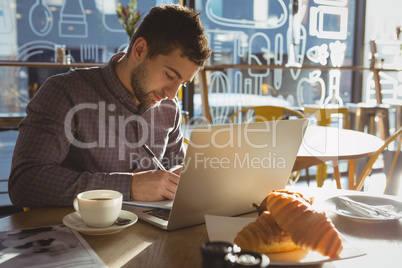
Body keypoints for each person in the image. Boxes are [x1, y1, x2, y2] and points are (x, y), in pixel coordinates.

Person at [8, 4, 212, 208]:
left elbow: (173, 166)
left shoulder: (169, 106)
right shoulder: (65, 93)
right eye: (169, 75)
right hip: (76, 233)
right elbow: (26, 182)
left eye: (182, 83)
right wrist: (128, 187)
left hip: (148, 233)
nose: (172, 94)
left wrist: (181, 180)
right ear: (139, 50)